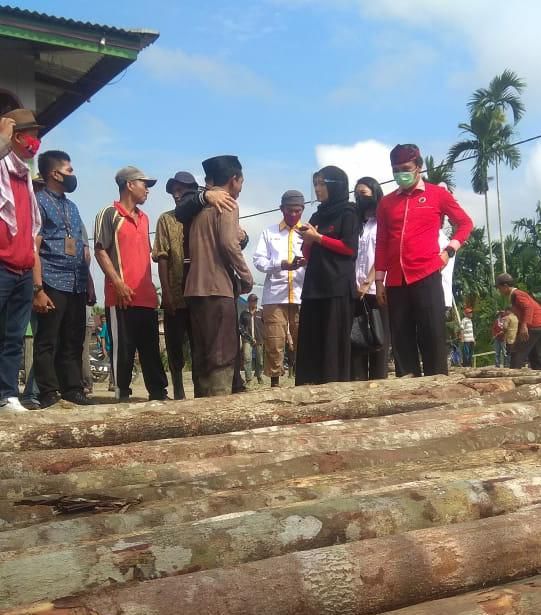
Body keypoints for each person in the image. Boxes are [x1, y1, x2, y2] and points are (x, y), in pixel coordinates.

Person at [375, 144, 473, 377]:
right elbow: (381, 243)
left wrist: (449, 250)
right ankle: (408, 389)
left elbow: (465, 223)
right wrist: (379, 280)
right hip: (396, 280)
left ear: (418, 167)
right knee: (401, 336)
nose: (401, 173)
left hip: (426, 274)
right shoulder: (386, 203)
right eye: (395, 170)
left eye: (406, 168)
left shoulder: (437, 194)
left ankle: (438, 386)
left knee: (432, 334)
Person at [176, 155, 253, 397]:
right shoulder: (228, 204)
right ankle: (218, 412)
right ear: (234, 179)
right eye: (241, 181)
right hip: (217, 288)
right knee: (222, 353)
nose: (241, 187)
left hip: (194, 289)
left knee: (203, 354)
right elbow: (229, 243)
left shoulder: (199, 210)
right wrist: (246, 276)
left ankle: (201, 413)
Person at [94, 166, 168, 402]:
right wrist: (117, 283)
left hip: (146, 296)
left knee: (150, 349)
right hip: (121, 297)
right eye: (144, 184)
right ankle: (122, 393)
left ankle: (158, 393)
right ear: (129, 184)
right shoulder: (108, 214)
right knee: (123, 350)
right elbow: (100, 250)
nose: (147, 190)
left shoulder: (145, 219)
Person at [32, 150, 93, 407]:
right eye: (69, 170)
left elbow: (80, 245)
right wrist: (37, 288)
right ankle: (48, 391)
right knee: (48, 339)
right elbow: (33, 246)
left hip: (77, 280)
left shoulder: (72, 206)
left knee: (73, 338)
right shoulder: (38, 201)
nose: (73, 175)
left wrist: (89, 281)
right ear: (54, 174)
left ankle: (72, 388)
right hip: (52, 278)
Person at [296, 166, 359, 385]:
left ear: (335, 185)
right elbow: (307, 253)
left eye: (322, 184)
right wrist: (307, 240)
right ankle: (308, 388)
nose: (318, 189)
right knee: (311, 341)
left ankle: (334, 390)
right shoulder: (317, 215)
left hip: (337, 287)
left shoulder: (349, 213)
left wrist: (319, 238)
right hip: (314, 285)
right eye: (316, 184)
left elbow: (350, 249)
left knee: (333, 343)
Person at [0, 109, 42, 413]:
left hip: (23, 268)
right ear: (16, 136)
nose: (35, 142)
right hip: (1, 265)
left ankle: (7, 394)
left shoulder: (25, 175)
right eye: (32, 135)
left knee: (14, 337)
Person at [152, 171, 198, 400]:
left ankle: (200, 387)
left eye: (182, 190)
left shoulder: (201, 215)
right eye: (174, 190)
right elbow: (162, 256)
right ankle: (178, 389)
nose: (178, 194)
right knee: (174, 344)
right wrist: (166, 293)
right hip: (176, 292)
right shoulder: (166, 219)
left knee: (200, 344)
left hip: (199, 293)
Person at [253, 190, 306, 387]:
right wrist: (281, 264)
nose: (293, 215)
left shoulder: (309, 232)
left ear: (302, 210)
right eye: (290, 211)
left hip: (302, 295)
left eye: (298, 211)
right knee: (275, 342)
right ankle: (275, 382)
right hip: (275, 296)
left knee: (305, 340)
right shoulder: (269, 232)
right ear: (281, 209)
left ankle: (303, 380)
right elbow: (258, 261)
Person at [351, 176, 390, 381]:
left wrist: (368, 281)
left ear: (374, 194)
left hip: (377, 289)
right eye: (356, 194)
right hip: (354, 292)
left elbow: (386, 253)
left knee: (378, 340)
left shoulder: (383, 222)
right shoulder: (356, 223)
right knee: (357, 341)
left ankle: (378, 384)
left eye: (363, 194)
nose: (359, 198)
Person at [495, 273, 541, 369]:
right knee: (535, 356)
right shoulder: (515, 296)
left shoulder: (517, 294)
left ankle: (511, 378)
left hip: (533, 325)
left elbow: (529, 307)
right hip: (537, 325)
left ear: (505, 286)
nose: (498, 290)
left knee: (517, 353)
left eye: (499, 287)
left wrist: (524, 325)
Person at [239, 294, 264, 385]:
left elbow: (265, 325)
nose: (254, 302)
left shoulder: (261, 312)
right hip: (247, 339)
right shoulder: (244, 313)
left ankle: (258, 375)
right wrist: (247, 337)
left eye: (255, 300)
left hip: (259, 339)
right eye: (253, 301)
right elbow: (240, 327)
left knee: (260, 360)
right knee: (247, 358)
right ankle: (248, 379)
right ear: (249, 302)